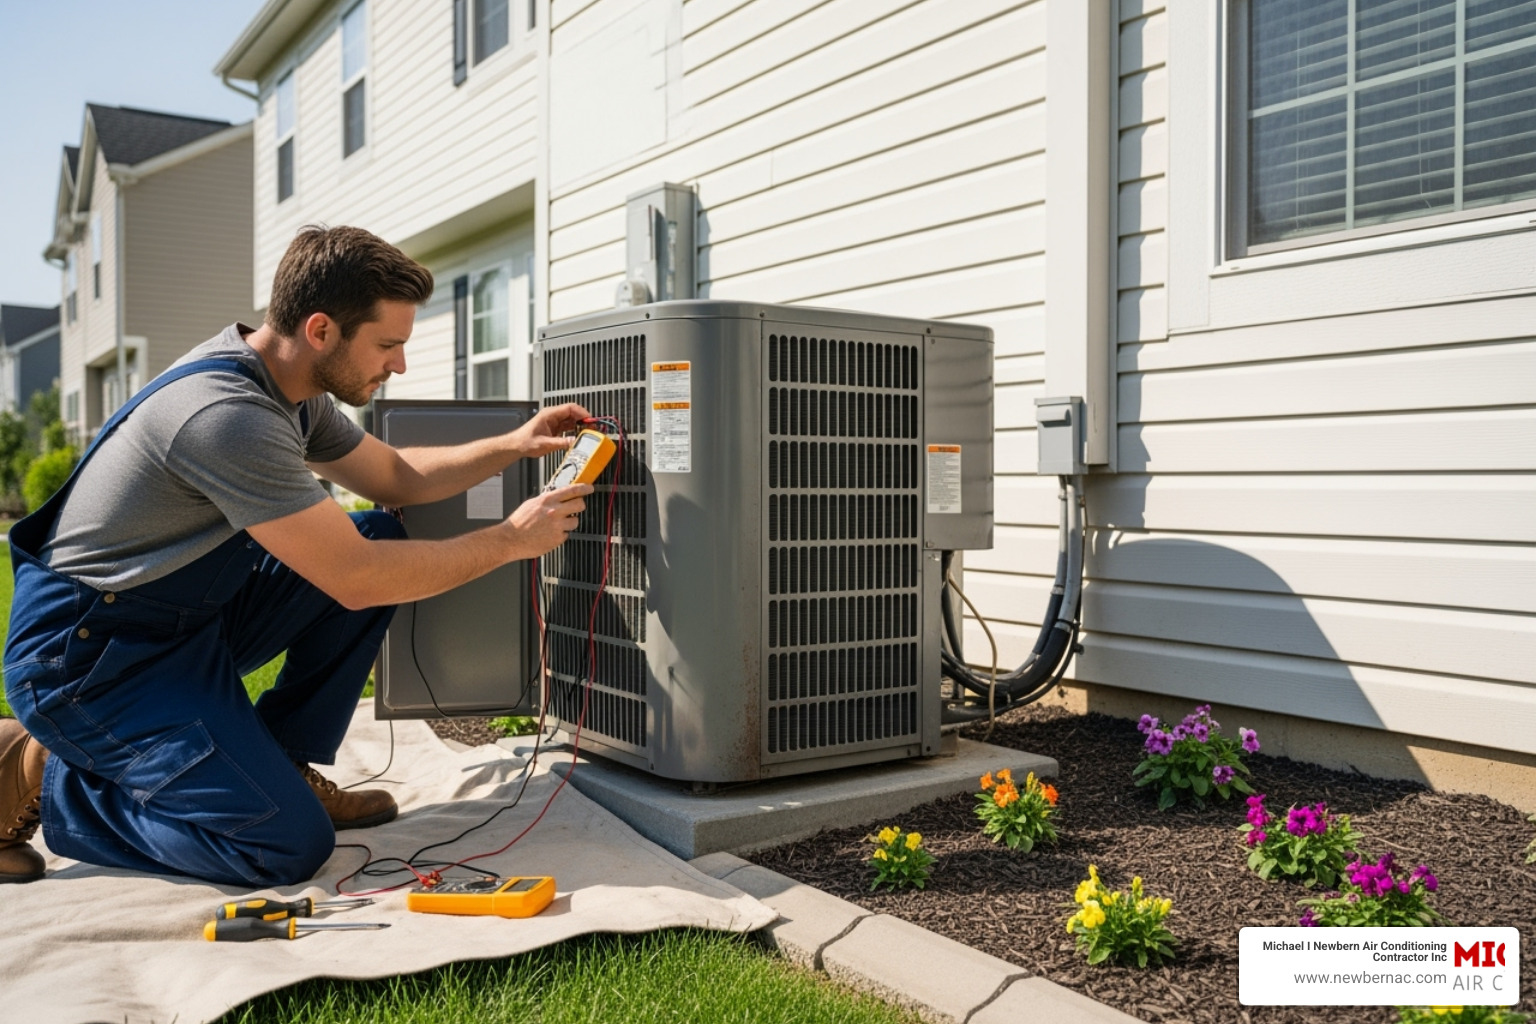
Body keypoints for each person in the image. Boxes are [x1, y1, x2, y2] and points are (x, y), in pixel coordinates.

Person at [0, 225, 592, 888]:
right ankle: (45, 772)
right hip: (87, 659)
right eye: (388, 344)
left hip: (176, 619)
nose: (398, 364)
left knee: (376, 532)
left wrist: (513, 444)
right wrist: (511, 540)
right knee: (281, 847)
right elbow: (358, 581)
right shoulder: (227, 416)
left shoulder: (283, 387)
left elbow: (396, 476)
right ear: (320, 330)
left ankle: (281, 763)